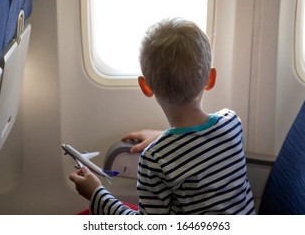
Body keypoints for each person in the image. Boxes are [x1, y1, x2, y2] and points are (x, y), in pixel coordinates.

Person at [69, 18, 255, 215]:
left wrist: (96, 193)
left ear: (146, 86)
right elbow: (202, 146)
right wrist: (164, 136)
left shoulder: (156, 158)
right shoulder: (232, 123)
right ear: (210, 79)